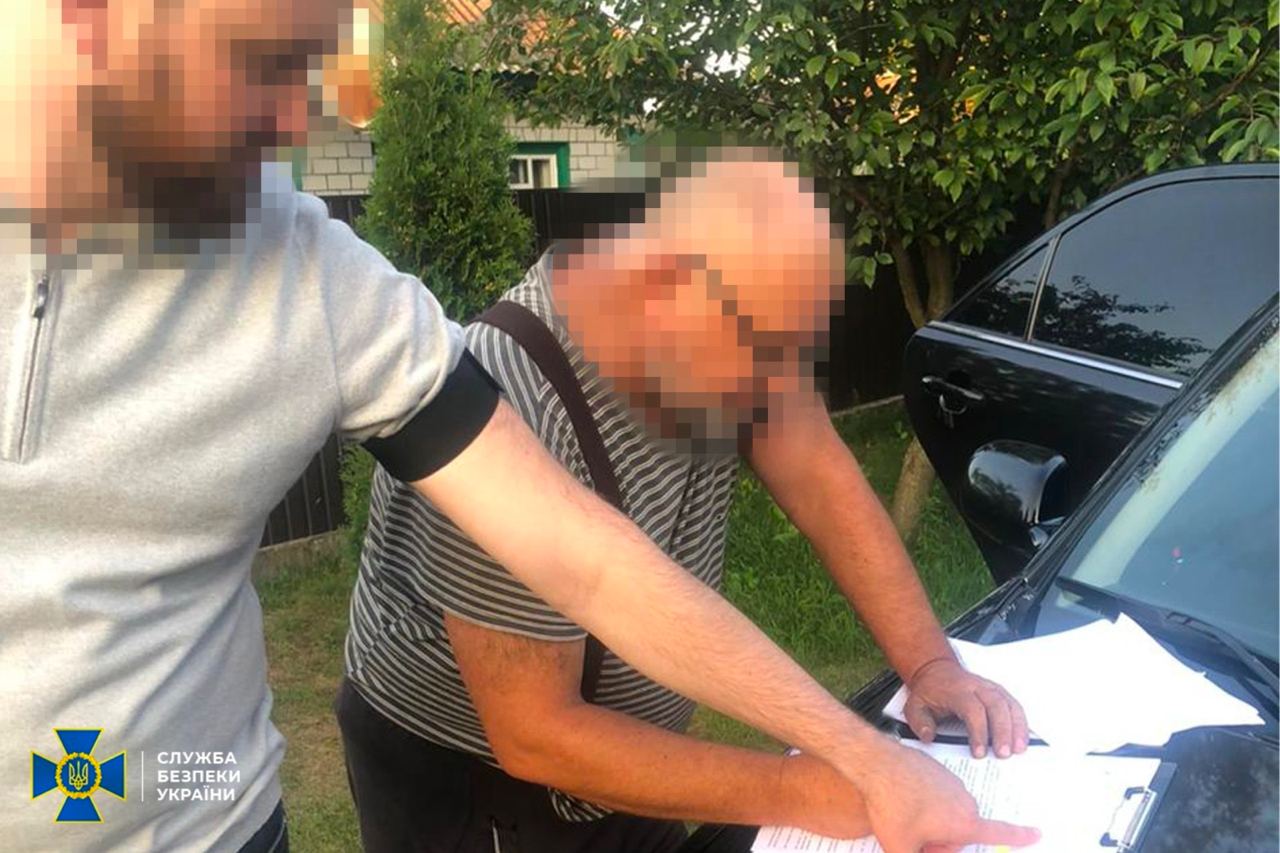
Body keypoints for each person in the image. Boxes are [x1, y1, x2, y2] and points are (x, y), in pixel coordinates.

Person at [0, 3, 1037, 852]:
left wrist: (896, 706)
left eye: (307, 71)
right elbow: (536, 733)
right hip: (467, 784)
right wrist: (813, 783)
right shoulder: (526, 378)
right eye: (257, 61)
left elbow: (594, 561)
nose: (292, 128)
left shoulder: (317, 279)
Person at [339, 151, 1032, 852]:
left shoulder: (736, 325)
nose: (771, 390)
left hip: (629, 743)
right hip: (470, 784)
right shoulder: (513, 398)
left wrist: (928, 664)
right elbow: (535, 732)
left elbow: (821, 480)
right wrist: (797, 789)